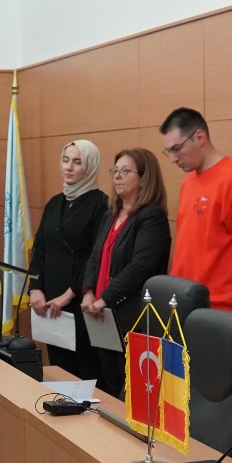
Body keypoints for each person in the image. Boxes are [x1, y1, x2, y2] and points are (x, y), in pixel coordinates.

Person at [160, 106, 232, 315]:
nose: (173, 158)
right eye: (169, 151)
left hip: (219, 308)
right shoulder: (188, 183)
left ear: (199, 137)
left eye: (177, 148)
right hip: (182, 301)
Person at [81, 147, 171, 398]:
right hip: (102, 315)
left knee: (132, 393)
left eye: (126, 171)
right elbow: (95, 257)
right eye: (115, 171)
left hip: (132, 318)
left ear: (144, 178)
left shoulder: (151, 217)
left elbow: (139, 267)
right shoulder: (111, 215)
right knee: (109, 387)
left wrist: (105, 299)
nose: (118, 176)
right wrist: (88, 292)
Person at [27, 139, 107, 381]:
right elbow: (40, 248)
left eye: (77, 162)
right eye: (65, 160)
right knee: (60, 374)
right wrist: (35, 288)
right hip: (50, 304)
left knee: (86, 376)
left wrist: (69, 294)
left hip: (80, 303)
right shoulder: (54, 203)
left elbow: (95, 255)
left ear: (90, 166)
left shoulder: (101, 204)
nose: (69, 167)